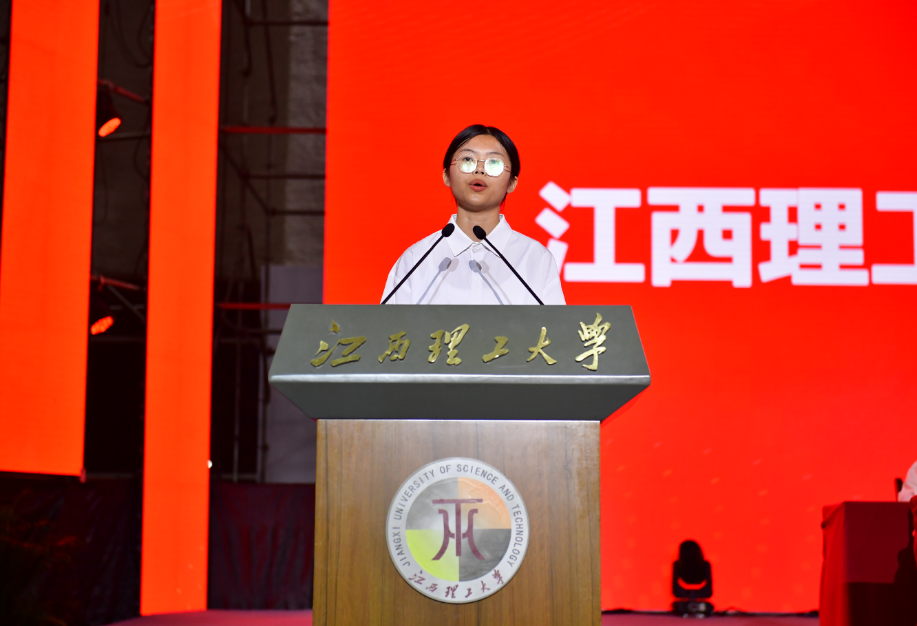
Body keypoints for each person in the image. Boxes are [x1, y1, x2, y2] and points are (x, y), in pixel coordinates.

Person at [381, 124, 565, 305]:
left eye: (494, 163)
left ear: (512, 183)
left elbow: (557, 325)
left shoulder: (536, 259)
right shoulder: (415, 260)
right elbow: (388, 324)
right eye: (467, 160)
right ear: (446, 175)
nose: (479, 170)